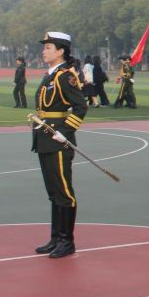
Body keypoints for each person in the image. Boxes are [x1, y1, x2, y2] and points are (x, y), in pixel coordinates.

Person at [32, 31, 88, 258]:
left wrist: (65, 132)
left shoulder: (65, 76)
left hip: (58, 140)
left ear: (61, 50)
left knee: (64, 192)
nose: (43, 51)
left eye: (48, 47)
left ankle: (67, 241)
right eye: (44, 47)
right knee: (53, 191)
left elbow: (81, 106)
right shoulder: (51, 75)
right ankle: (56, 238)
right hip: (45, 138)